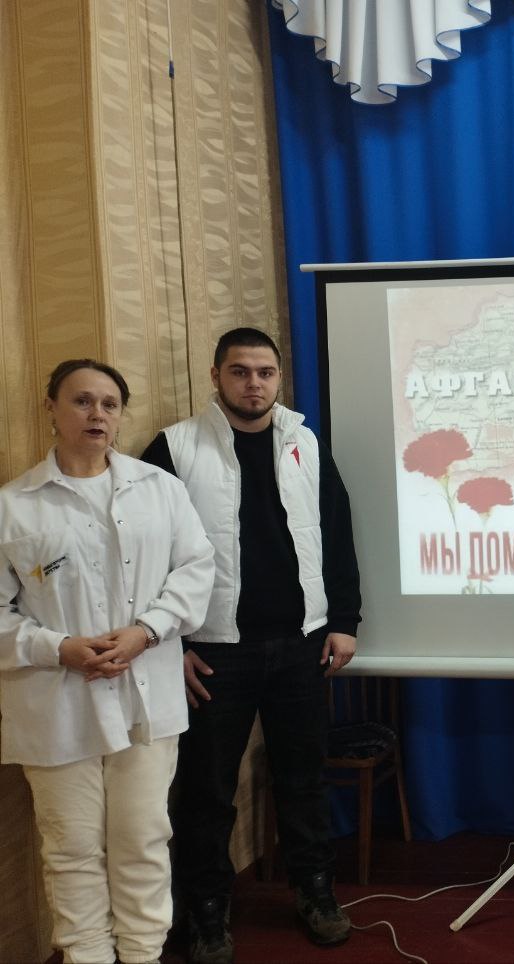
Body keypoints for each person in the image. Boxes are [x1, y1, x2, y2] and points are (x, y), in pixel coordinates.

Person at [141, 327, 362, 964]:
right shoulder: (174, 449)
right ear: (216, 376)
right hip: (214, 652)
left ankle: (315, 892)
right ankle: (207, 912)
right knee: (207, 792)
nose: (254, 384)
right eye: (240, 371)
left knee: (303, 781)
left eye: (265, 372)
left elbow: (335, 530)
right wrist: (169, 644)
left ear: (278, 378)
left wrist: (344, 618)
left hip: (301, 644)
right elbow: (143, 555)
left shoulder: (304, 442)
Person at [0, 359, 214, 964]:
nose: (97, 414)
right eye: (82, 401)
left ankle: (143, 955)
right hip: (55, 703)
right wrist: (56, 647)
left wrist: (147, 631)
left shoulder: (160, 489)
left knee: (143, 839)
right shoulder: (14, 506)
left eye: (110, 404)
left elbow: (197, 570)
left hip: (146, 695)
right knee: (71, 849)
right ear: (51, 407)